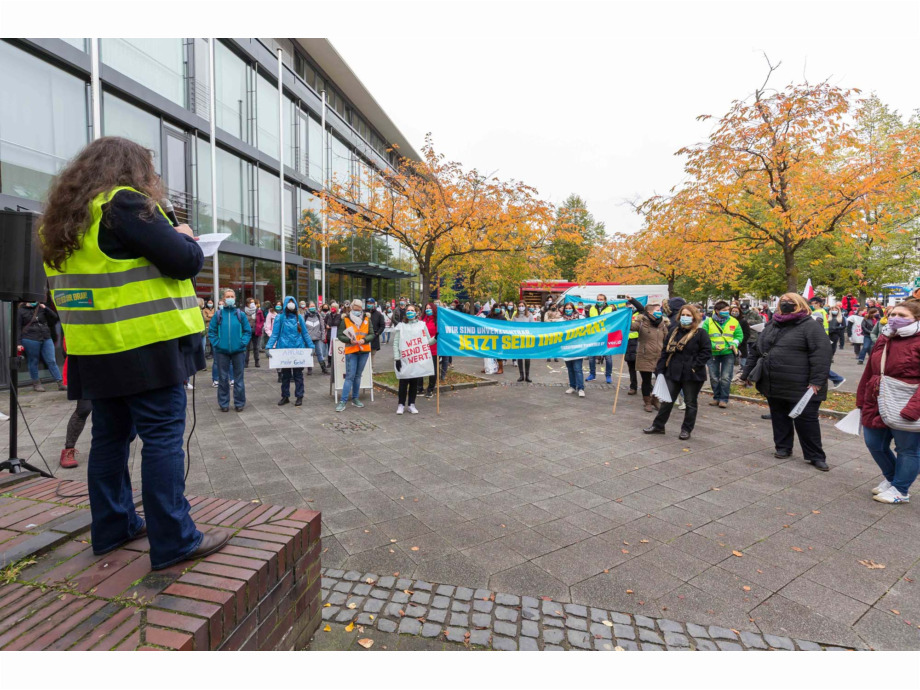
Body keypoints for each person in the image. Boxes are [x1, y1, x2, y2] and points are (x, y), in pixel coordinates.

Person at [40, 135, 230, 569]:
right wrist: (182, 235)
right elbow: (183, 262)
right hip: (145, 348)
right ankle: (175, 540)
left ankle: (112, 528)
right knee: (161, 439)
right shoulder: (123, 204)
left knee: (109, 439)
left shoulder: (62, 219)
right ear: (134, 170)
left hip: (94, 351)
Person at [740, 293, 832, 471]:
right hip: (774, 382)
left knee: (807, 421)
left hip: (802, 385)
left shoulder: (810, 326)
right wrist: (745, 374)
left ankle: (815, 456)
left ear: (801, 305)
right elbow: (758, 350)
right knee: (779, 416)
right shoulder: (772, 324)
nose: (787, 304)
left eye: (792, 302)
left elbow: (821, 355)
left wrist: (816, 381)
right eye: (783, 302)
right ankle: (783, 447)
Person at [856, 300, 920, 503]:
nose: (895, 318)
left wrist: (914, 409)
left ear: (916, 319)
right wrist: (861, 398)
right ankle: (894, 479)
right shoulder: (885, 336)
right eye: (892, 314)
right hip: (876, 398)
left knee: (907, 450)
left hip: (907, 401)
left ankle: (901, 490)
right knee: (874, 443)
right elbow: (871, 370)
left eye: (902, 315)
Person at [643, 304, 711, 439]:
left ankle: (686, 430)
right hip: (673, 372)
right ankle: (658, 426)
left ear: (694, 317)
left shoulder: (700, 333)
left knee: (690, 403)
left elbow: (706, 352)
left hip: (692, 375)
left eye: (688, 315)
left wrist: (694, 366)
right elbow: (665, 351)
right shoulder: (674, 330)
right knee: (667, 401)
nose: (685, 318)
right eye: (683, 315)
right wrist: (660, 369)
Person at [266, 296, 314, 406]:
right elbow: (275, 334)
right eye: (289, 302)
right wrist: (269, 346)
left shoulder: (299, 318)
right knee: (285, 376)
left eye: (293, 302)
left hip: (298, 350)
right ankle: (285, 396)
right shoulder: (280, 318)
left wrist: (311, 346)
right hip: (284, 350)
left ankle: (299, 396)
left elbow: (305, 333)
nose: (291, 304)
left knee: (298, 375)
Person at [209, 288, 250, 412]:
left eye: (232, 296)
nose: (230, 298)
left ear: (235, 298)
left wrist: (242, 343)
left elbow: (247, 331)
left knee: (238, 378)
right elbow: (212, 332)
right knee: (222, 378)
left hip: (238, 351)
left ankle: (239, 403)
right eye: (228, 296)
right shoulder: (218, 315)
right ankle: (224, 403)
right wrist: (217, 344)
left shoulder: (240, 314)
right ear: (223, 299)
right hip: (222, 352)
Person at [393, 304, 435, 414]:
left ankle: (412, 404)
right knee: (403, 382)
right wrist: (397, 358)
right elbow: (396, 343)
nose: (410, 312)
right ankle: (401, 405)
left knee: (414, 383)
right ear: (405, 312)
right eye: (408, 310)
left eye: (412, 310)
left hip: (416, 360)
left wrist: (436, 338)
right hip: (404, 359)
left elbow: (427, 341)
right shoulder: (401, 326)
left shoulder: (422, 325)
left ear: (416, 312)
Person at [630, 298, 670, 412]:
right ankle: (647, 402)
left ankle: (655, 399)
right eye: (658, 310)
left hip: (659, 357)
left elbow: (667, 338)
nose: (660, 312)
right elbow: (630, 327)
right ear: (650, 312)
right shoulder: (641, 323)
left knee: (660, 379)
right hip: (645, 356)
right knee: (646, 380)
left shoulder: (663, 324)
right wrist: (627, 316)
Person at [702, 300, 742, 408]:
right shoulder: (708, 322)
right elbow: (704, 338)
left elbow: (739, 336)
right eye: (724, 310)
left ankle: (724, 399)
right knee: (714, 377)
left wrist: (734, 343)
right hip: (713, 353)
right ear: (717, 311)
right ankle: (716, 397)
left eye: (727, 310)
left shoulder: (734, 321)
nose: (727, 312)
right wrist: (714, 345)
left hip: (728, 353)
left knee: (726, 377)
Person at [17, 301, 64, 392]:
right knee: (33, 361)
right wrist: (18, 343)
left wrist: (46, 308)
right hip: (29, 338)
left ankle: (60, 382)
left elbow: (55, 317)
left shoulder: (41, 307)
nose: (35, 301)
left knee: (51, 360)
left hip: (46, 337)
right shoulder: (21, 311)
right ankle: (36, 384)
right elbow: (17, 328)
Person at [336, 299, 374, 412]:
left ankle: (355, 398)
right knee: (350, 376)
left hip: (364, 350)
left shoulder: (367, 319)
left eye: (359, 309)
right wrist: (349, 340)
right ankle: (343, 401)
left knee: (358, 376)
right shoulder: (346, 319)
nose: (358, 311)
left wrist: (365, 339)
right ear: (352, 308)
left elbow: (372, 334)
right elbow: (340, 335)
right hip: (351, 350)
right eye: (355, 309)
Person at [586, 294, 614, 383]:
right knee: (591, 358)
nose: (599, 300)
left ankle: (608, 375)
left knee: (608, 358)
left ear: (605, 300)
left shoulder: (610, 309)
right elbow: (588, 321)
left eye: (601, 299)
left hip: (606, 336)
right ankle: (592, 374)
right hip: (594, 336)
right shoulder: (592, 309)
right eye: (598, 299)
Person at [422, 303, 448, 396]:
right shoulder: (422, 320)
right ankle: (419, 388)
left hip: (434, 348)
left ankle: (430, 389)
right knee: (421, 368)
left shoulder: (438, 321)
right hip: (423, 348)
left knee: (433, 369)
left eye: (430, 308)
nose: (428, 310)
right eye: (426, 308)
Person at [561, 303, 586, 397]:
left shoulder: (580, 318)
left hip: (578, 347)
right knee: (570, 369)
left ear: (573, 309)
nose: (568, 310)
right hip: (567, 347)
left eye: (570, 308)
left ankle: (581, 388)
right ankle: (572, 386)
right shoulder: (561, 320)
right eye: (566, 308)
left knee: (578, 369)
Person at [511, 301, 534, 382]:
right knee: (520, 357)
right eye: (519, 306)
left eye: (522, 305)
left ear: (525, 306)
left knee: (527, 358)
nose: (521, 307)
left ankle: (527, 375)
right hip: (518, 339)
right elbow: (512, 327)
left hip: (527, 339)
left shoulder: (529, 315)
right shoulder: (515, 316)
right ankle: (521, 375)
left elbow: (533, 326)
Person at [303, 301, 327, 374]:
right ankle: (309, 369)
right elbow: (302, 328)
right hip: (308, 339)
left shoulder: (318, 316)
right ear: (308, 307)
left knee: (319, 353)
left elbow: (322, 327)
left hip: (317, 338)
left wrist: (323, 336)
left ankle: (324, 368)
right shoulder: (304, 316)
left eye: (313, 306)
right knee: (309, 354)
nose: (312, 307)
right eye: (311, 306)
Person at [486, 303, 508, 374]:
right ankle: (488, 366)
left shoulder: (502, 318)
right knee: (488, 353)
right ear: (494, 308)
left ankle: (500, 368)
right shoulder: (489, 316)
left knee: (498, 353)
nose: (498, 309)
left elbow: (505, 327)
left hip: (499, 338)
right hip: (490, 337)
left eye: (499, 307)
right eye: (497, 307)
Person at [243, 297, 263, 368]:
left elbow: (261, 320)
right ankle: (246, 362)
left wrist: (259, 327)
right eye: (250, 302)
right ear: (247, 304)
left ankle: (257, 361)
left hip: (256, 331)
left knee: (256, 347)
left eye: (253, 302)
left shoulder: (258, 311)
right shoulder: (244, 311)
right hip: (247, 332)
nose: (252, 304)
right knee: (246, 348)